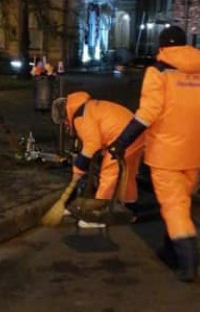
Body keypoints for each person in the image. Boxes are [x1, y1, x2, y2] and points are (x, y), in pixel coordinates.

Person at [108, 24, 200, 281]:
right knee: (180, 203)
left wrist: (121, 142)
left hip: (165, 154)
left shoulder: (159, 73)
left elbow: (147, 114)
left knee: (174, 206)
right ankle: (170, 252)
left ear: (162, 46)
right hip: (194, 155)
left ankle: (189, 261)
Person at [51, 91, 146, 228]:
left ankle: (99, 217)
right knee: (126, 174)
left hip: (123, 139)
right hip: (134, 134)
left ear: (65, 116)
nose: (66, 125)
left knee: (109, 174)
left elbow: (92, 145)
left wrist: (79, 167)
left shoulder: (80, 118)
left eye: (64, 122)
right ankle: (130, 210)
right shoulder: (85, 108)